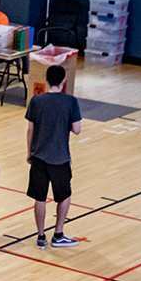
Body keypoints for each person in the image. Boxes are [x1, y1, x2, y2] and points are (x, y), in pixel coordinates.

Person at [25, 64, 83, 249]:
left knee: (39, 198)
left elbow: (30, 130)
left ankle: (41, 236)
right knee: (64, 196)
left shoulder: (36, 100)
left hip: (39, 156)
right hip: (60, 158)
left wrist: (29, 153)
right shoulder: (70, 102)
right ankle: (58, 234)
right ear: (63, 80)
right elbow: (77, 130)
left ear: (46, 79)